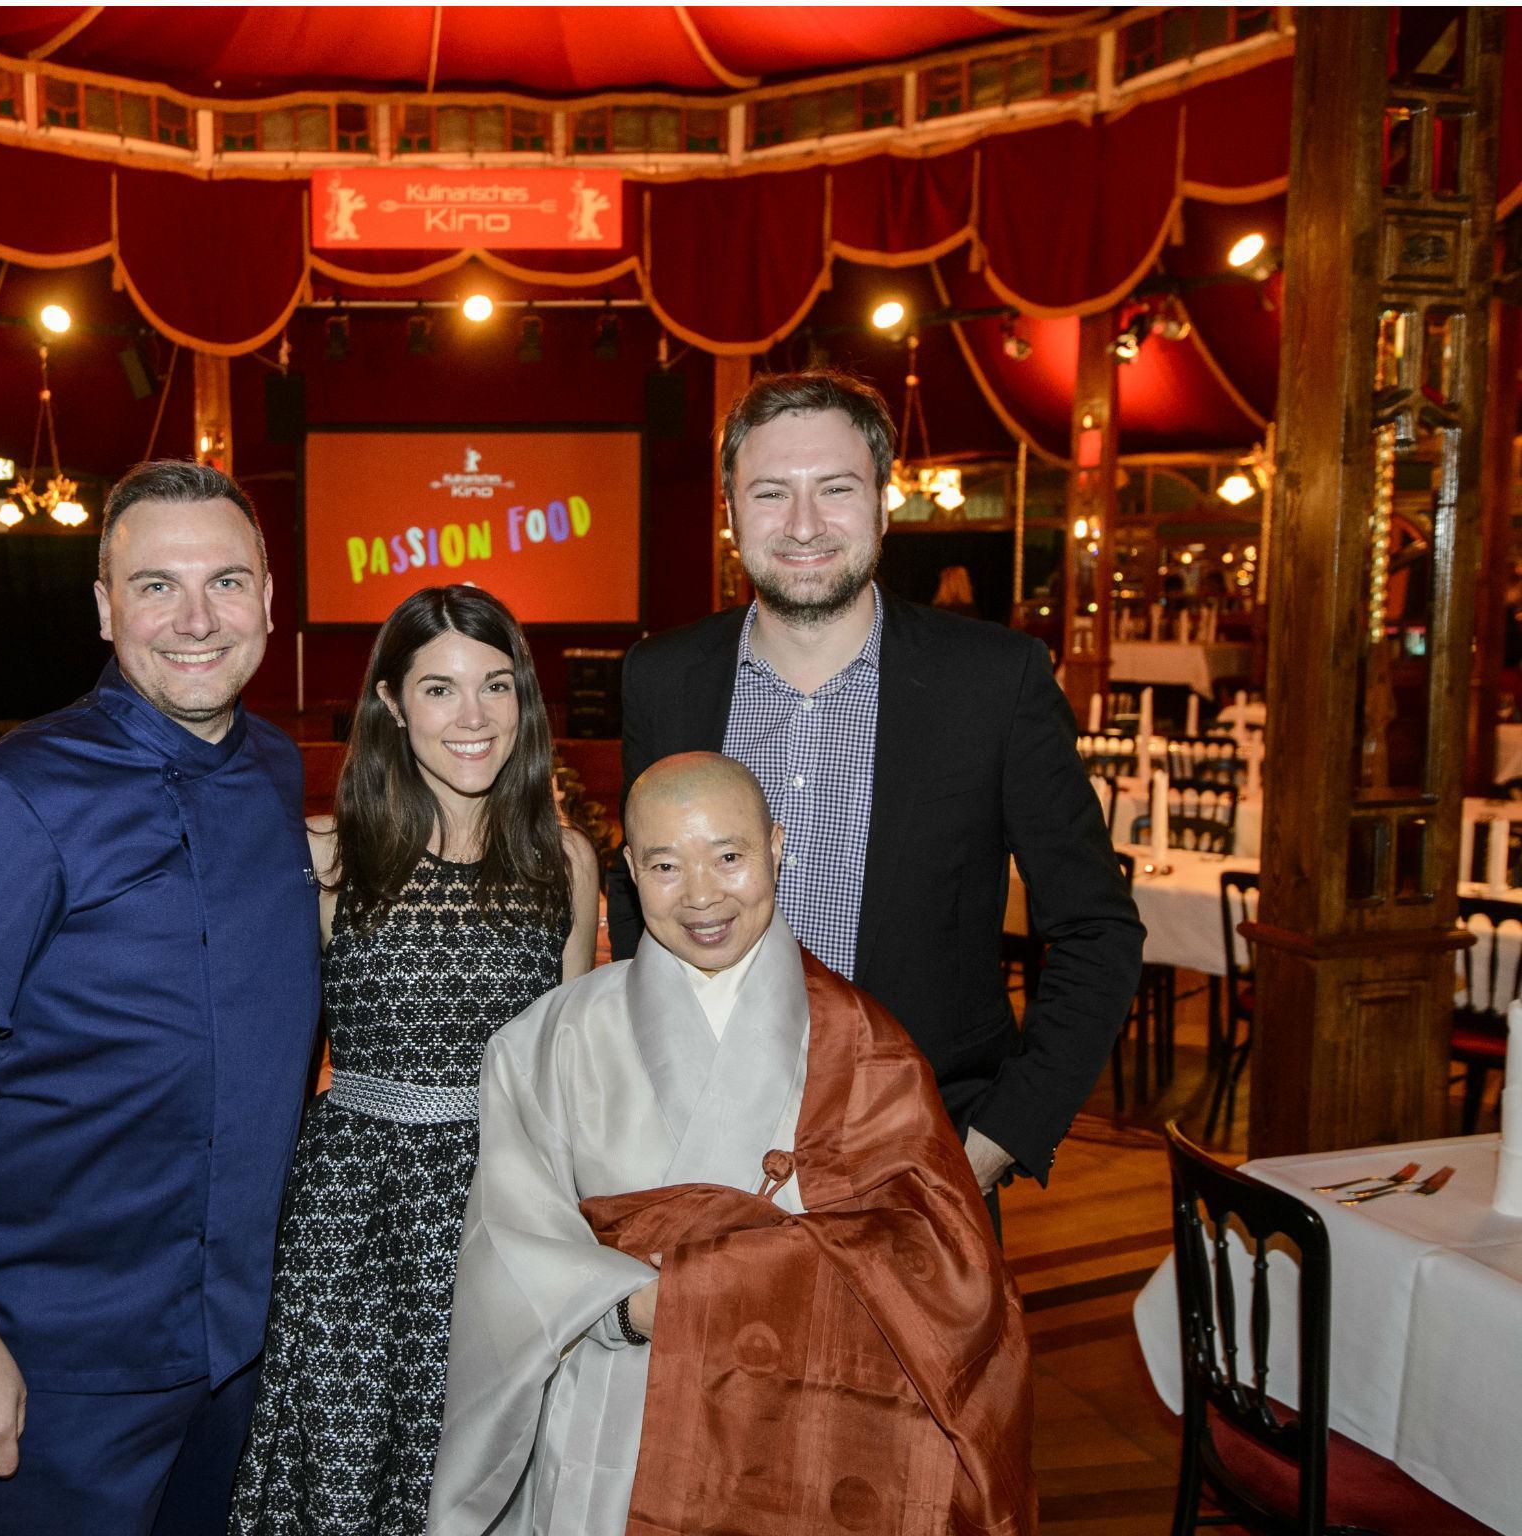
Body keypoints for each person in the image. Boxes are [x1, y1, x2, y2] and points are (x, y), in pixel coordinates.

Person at [0, 460, 321, 1535]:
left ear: (267, 596)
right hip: (64, 1354)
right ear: (104, 607)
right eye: (156, 585)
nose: (195, 619)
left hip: (240, 1335)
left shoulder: (269, 768)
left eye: (225, 581)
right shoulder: (8, 797)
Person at [429, 753, 1035, 1536]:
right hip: (616, 1396)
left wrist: (697, 1291)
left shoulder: (863, 1041)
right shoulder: (546, 1036)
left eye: (729, 856)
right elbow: (509, 1234)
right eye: (666, 865)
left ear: (776, 850)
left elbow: (938, 1254)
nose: (703, 895)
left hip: (794, 1411)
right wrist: (629, 1310)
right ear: (630, 870)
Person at [608, 370, 1141, 1200]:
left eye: (837, 489)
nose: (805, 525)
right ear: (731, 514)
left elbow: (1097, 932)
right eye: (772, 493)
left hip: (921, 1160)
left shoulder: (993, 683)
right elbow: (635, 885)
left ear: (885, 505)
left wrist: (990, 1146)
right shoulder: (664, 679)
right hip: (702, 1157)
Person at [230, 585, 600, 1536]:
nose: (473, 718)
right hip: (354, 1216)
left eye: (497, 687)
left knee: (488, 1474)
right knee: (346, 1480)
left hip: (507, 1209)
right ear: (392, 703)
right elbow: (268, 1053)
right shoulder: (328, 856)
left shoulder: (565, 860)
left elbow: (571, 1068)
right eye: (439, 690)